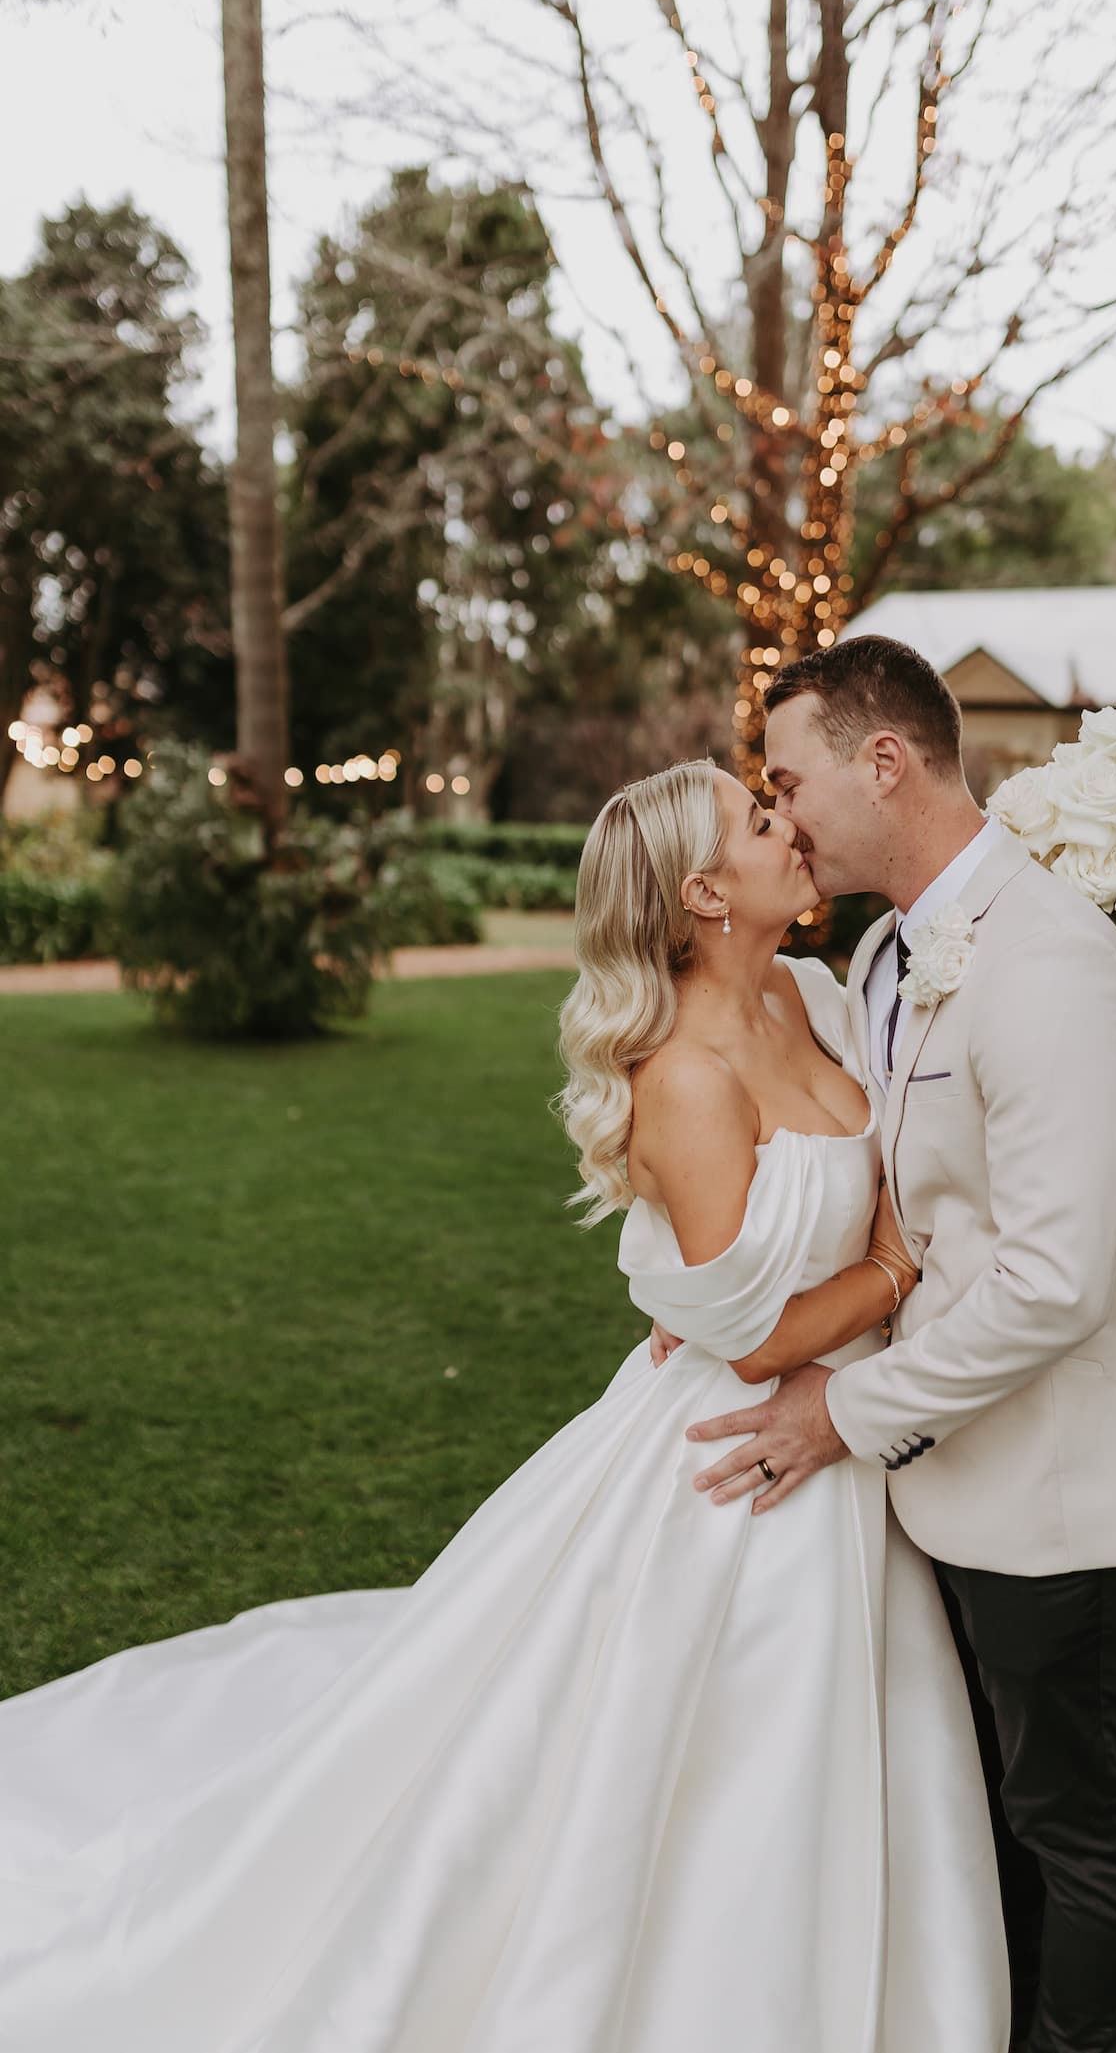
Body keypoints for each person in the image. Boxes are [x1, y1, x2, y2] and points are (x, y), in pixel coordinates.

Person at [0, 758, 1014, 2052]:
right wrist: (889, 1266)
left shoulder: (808, 990)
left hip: (842, 1431)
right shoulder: (687, 1079)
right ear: (704, 890)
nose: (791, 826)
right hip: (737, 1454)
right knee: (706, 1748)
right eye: (762, 821)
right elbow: (753, 1337)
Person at [668, 635, 1116, 2053]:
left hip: (1068, 1494)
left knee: (1078, 1819)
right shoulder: (888, 948)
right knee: (994, 1794)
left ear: (884, 761)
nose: (786, 812)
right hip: (955, 1477)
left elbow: (1053, 1280)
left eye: (789, 778)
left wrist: (848, 1409)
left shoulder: (1050, 962)